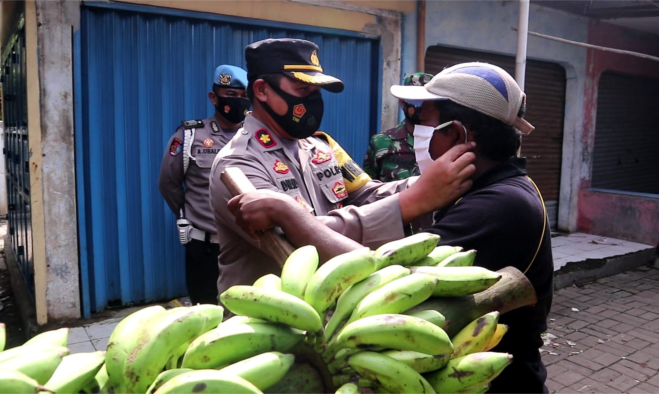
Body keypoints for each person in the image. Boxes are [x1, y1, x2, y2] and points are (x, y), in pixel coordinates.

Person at [231, 62, 553, 393]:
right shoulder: (480, 190)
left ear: (457, 133)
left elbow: (390, 286)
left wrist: (290, 215)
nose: (412, 131)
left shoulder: (499, 206)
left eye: (421, 120)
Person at [209, 38, 476, 295]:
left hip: (329, 309)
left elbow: (366, 195)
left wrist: (422, 184)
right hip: (264, 323)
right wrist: (410, 202)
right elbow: (296, 242)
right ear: (262, 90)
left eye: (316, 92)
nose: (313, 100)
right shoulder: (237, 166)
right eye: (303, 90)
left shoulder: (319, 147)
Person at [158, 64, 249, 305]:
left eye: (244, 97)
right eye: (231, 95)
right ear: (213, 97)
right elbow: (169, 183)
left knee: (247, 311)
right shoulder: (190, 136)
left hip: (248, 246)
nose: (238, 102)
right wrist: (190, 215)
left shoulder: (255, 137)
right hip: (205, 247)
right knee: (206, 312)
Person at [363, 72, 432, 182]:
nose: (422, 106)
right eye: (416, 100)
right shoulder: (381, 142)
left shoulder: (446, 142)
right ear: (402, 102)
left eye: (427, 100)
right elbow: (367, 190)